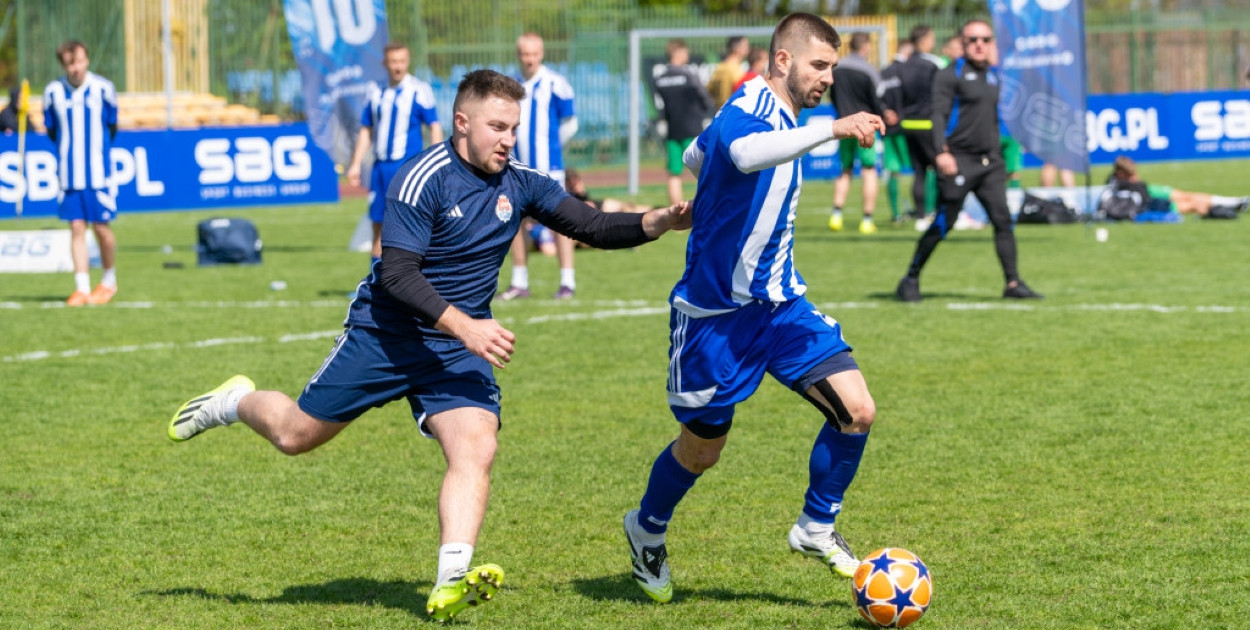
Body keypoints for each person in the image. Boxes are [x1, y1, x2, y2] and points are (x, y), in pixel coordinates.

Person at [166, 69, 691, 622]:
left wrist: (656, 221)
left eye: (514, 127)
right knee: (295, 436)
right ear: (462, 123)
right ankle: (232, 401)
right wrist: (466, 326)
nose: (509, 139)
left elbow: (593, 225)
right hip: (387, 335)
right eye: (497, 126)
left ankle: (450, 579)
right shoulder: (421, 179)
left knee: (475, 446)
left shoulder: (522, 181)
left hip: (455, 348)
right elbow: (398, 274)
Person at [621, 12, 885, 604]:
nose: (827, 78)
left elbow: (696, 154)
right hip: (716, 317)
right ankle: (646, 528)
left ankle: (815, 527)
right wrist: (835, 129)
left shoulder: (776, 114)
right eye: (819, 65)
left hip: (780, 307)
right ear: (784, 61)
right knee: (703, 449)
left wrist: (707, 178)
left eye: (833, 68)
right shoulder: (753, 109)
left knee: (858, 409)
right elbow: (739, 152)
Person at [895, 20, 1042, 303]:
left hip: (990, 164)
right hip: (958, 161)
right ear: (963, 43)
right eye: (973, 39)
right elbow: (937, 115)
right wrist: (941, 152)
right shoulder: (949, 74)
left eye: (986, 39)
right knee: (943, 223)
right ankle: (910, 278)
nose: (979, 44)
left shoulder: (993, 75)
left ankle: (1013, 283)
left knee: (1002, 221)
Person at [345, 42, 443, 265]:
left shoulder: (419, 90)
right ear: (385, 63)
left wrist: (437, 161)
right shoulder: (375, 91)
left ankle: (416, 280)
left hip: (406, 168)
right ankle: (376, 283)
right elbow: (366, 129)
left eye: (402, 61)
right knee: (378, 224)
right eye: (393, 62)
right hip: (381, 168)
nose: (398, 67)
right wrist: (355, 163)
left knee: (411, 224)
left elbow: (434, 125)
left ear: (407, 61)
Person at [499, 32, 581, 300]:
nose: (529, 59)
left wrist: (555, 148)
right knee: (515, 222)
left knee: (559, 222)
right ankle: (519, 282)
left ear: (542, 53)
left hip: (549, 168)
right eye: (525, 54)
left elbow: (571, 123)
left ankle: (567, 282)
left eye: (534, 54)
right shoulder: (509, 84)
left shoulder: (556, 83)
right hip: (516, 168)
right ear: (518, 54)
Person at [43, 40, 119, 306]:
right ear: (63, 65)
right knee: (76, 227)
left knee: (101, 227)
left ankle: (109, 281)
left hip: (99, 174)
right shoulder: (53, 93)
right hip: (69, 174)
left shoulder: (103, 89)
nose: (75, 68)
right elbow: (52, 130)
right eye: (69, 64)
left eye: (79, 61)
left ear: (86, 60)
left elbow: (112, 126)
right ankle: (82, 288)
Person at [829, 32, 890, 234]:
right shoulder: (869, 70)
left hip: (844, 125)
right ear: (865, 47)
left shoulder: (837, 69)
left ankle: (836, 215)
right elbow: (877, 100)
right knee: (869, 169)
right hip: (866, 127)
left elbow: (833, 95)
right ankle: (867, 219)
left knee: (845, 170)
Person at [652, 39, 714, 205]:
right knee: (703, 171)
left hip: (673, 130)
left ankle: (676, 211)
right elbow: (705, 99)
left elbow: (660, 105)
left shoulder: (660, 78)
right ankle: (705, 207)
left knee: (674, 173)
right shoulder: (688, 75)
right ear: (678, 54)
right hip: (693, 129)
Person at [895, 26, 943, 221]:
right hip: (928, 124)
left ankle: (922, 215)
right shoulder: (933, 64)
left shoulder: (903, 65)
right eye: (932, 38)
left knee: (919, 172)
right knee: (941, 169)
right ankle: (941, 212)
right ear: (924, 40)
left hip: (908, 124)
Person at [1100, 155, 1247, 219]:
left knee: (1189, 196)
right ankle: (1232, 207)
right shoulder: (1116, 186)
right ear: (1121, 173)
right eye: (1131, 175)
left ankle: (1235, 203)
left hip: (1151, 194)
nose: (1135, 177)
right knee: (1192, 203)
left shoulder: (1120, 182)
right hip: (1151, 203)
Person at [877, 40, 914, 222]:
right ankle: (926, 210)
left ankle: (896, 214)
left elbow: (875, 96)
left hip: (889, 128)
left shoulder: (884, 72)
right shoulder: (910, 71)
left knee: (893, 171)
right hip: (911, 127)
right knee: (925, 168)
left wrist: (884, 112)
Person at [706, 35, 750, 112]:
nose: (748, 49)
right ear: (736, 48)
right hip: (732, 113)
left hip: (721, 112)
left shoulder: (720, 67)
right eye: (746, 46)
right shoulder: (734, 70)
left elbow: (710, 90)